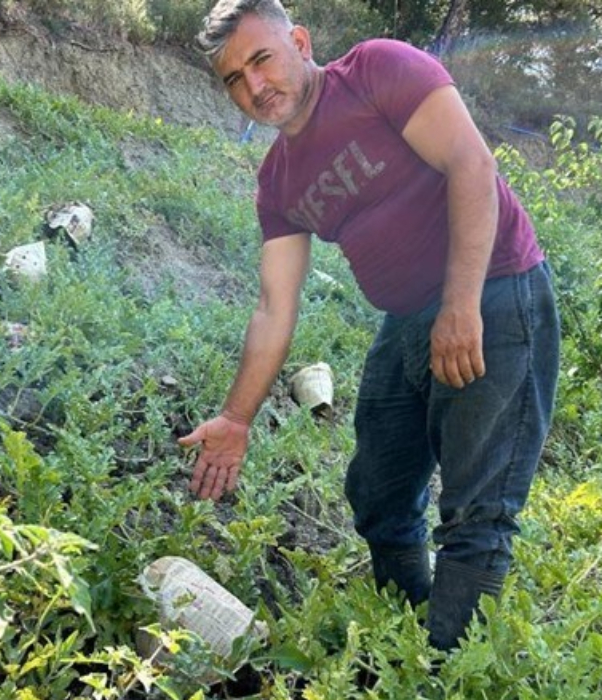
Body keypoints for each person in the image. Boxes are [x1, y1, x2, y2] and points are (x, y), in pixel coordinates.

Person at [177, 0, 560, 652]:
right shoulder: (277, 181)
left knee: (476, 513)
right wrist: (237, 418)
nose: (254, 86)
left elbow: (473, 165)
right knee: (379, 495)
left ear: (299, 40)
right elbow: (275, 307)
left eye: (261, 59)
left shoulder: (377, 70)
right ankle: (407, 641)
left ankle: (446, 678)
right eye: (234, 78)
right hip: (406, 319)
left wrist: (460, 305)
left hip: (494, 293)